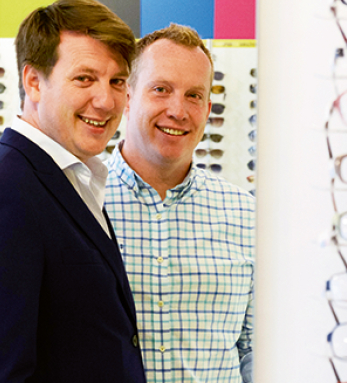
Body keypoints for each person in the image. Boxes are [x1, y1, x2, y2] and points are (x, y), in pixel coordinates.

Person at [0, 0, 146, 383]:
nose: (106, 101)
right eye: (84, 79)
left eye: (117, 81)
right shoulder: (6, 189)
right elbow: (4, 370)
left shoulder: (73, 177)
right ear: (33, 82)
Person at [105, 23, 255, 383]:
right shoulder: (79, 203)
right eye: (161, 89)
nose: (178, 110)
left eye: (194, 95)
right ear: (128, 96)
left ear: (208, 108)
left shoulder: (246, 215)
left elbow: (254, 351)